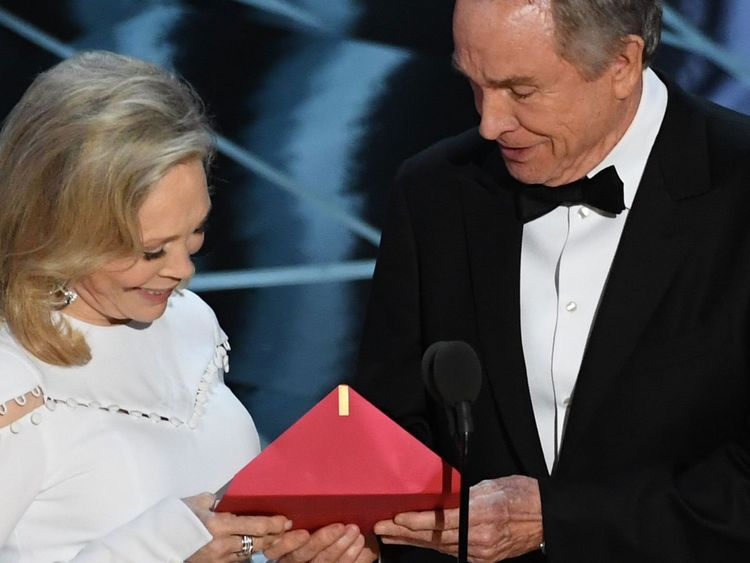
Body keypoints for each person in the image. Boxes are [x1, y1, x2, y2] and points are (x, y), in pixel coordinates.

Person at [355, 0, 750, 561]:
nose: (490, 123)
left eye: (520, 91)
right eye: (474, 84)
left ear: (622, 63)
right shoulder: (435, 193)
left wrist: (556, 521)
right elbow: (393, 426)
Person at [0, 51, 376, 563]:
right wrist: (159, 550)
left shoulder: (187, 319)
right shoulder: (12, 378)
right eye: (152, 249)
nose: (183, 270)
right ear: (63, 226)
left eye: (195, 233)